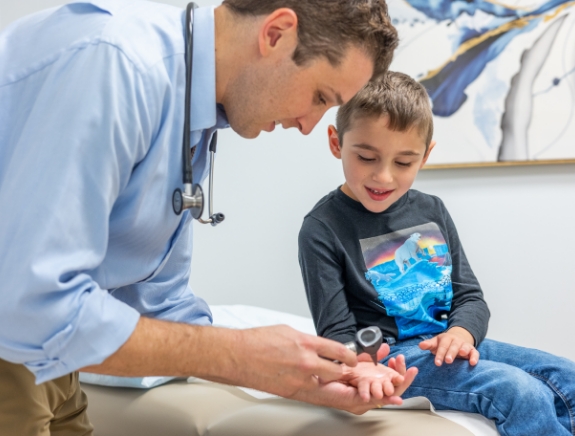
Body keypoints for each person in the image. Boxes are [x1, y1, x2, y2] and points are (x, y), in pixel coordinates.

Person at [0, 0, 415, 433]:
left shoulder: (191, 114)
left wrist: (305, 378)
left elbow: (158, 301)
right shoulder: (118, 66)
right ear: (276, 33)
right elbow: (31, 306)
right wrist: (237, 353)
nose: (308, 125)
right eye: (319, 97)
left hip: (51, 354)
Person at [298, 71, 575, 435]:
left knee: (567, 378)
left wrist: (462, 332)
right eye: (366, 157)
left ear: (425, 156)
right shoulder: (322, 227)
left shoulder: (432, 210)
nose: (383, 176)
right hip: (394, 357)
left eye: (403, 163)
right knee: (519, 392)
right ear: (336, 143)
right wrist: (361, 365)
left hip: (448, 342)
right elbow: (337, 333)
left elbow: (470, 297)